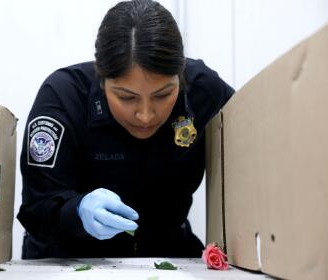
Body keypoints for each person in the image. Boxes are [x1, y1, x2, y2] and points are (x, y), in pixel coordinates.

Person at [17, 0, 234, 259]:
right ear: (102, 78)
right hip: (68, 256)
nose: (145, 115)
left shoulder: (203, 90)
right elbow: (37, 207)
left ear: (180, 76)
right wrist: (76, 211)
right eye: (127, 97)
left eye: (164, 94)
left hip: (167, 253)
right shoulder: (64, 97)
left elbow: (254, 152)